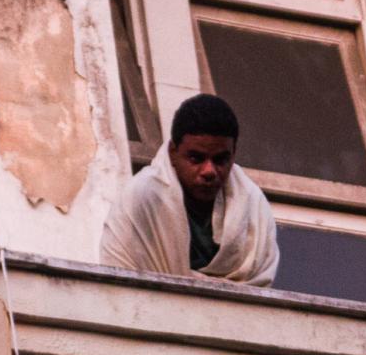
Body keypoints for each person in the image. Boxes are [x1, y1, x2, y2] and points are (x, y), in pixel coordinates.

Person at [100, 93, 280, 286]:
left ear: (233, 154)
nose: (209, 171)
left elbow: (259, 286)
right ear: (173, 152)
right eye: (196, 158)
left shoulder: (253, 207)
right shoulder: (139, 199)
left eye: (220, 159)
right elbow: (118, 281)